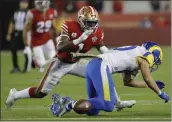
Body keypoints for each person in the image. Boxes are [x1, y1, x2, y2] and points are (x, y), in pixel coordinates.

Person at [6, 6, 135, 110]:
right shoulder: (69, 26)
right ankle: (15, 95)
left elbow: (104, 50)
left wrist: (118, 56)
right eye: (88, 22)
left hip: (78, 63)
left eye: (93, 23)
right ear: (80, 20)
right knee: (41, 93)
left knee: (102, 74)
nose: (91, 26)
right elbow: (60, 47)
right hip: (61, 63)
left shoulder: (98, 33)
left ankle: (117, 102)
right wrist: (79, 39)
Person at [50, 41, 169, 117]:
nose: (153, 64)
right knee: (108, 105)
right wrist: (159, 92)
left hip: (93, 65)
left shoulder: (134, 53)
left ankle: (66, 102)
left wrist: (149, 85)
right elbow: (148, 78)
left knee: (93, 110)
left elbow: (127, 82)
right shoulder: (147, 55)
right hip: (101, 66)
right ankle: (69, 104)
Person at [23, 0, 58, 72]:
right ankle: (35, 60)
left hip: (47, 40)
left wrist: (57, 34)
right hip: (36, 42)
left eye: (43, 2)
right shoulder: (32, 13)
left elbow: (53, 26)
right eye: (40, 3)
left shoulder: (52, 12)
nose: (42, 5)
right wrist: (26, 44)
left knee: (54, 60)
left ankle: (52, 79)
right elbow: (26, 30)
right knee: (42, 64)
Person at [6, 0, 29, 73]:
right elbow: (12, 23)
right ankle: (16, 67)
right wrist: (9, 33)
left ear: (27, 4)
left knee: (26, 51)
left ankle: (26, 68)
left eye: (25, 3)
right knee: (13, 49)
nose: (23, 5)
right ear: (19, 4)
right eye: (22, 3)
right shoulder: (16, 12)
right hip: (17, 33)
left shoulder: (29, 13)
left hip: (25, 34)